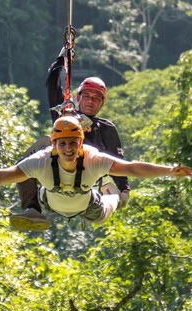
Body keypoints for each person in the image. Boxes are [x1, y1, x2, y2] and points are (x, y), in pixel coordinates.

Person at [0, 116, 192, 230]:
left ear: (81, 142)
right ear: (54, 145)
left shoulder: (93, 158)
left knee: (111, 205)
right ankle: (32, 210)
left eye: (73, 143)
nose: (68, 149)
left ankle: (113, 194)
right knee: (27, 166)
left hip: (89, 207)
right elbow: (0, 176)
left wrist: (170, 171)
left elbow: (130, 167)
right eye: (62, 144)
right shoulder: (41, 160)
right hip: (49, 202)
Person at [12, 51, 130, 229]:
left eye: (96, 98)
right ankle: (32, 207)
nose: (91, 101)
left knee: (106, 209)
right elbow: (52, 82)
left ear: (102, 104)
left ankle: (110, 194)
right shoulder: (65, 115)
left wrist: (124, 189)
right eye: (87, 96)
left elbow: (117, 161)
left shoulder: (105, 129)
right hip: (55, 188)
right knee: (31, 156)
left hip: (87, 193)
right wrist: (63, 58)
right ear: (78, 98)